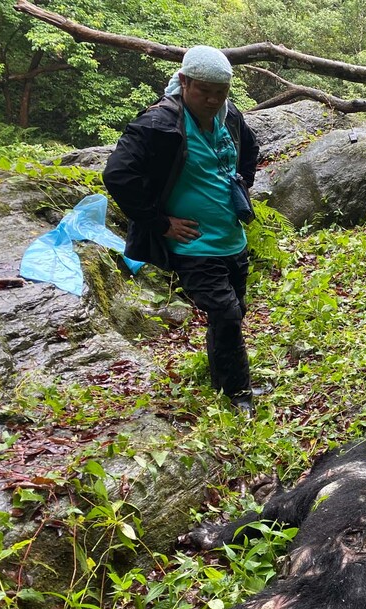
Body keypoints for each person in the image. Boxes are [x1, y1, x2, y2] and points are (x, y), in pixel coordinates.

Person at [103, 45, 260, 412]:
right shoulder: (158, 123)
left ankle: (222, 378)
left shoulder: (229, 115)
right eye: (204, 90)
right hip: (194, 246)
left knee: (233, 311)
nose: (213, 99)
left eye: (220, 91)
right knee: (225, 312)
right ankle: (239, 393)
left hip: (231, 238)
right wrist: (160, 223)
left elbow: (250, 149)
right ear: (184, 81)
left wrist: (241, 187)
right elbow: (118, 174)